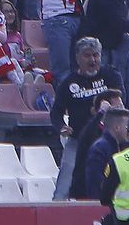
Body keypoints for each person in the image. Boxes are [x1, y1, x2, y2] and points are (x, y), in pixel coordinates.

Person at [50, 37, 122, 200]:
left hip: (107, 141)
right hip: (78, 140)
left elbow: (119, 100)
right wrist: (61, 126)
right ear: (78, 58)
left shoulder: (110, 75)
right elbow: (56, 112)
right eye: (87, 56)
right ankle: (56, 207)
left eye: (96, 55)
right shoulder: (69, 82)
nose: (92, 60)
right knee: (66, 177)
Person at [82, 106, 129, 201]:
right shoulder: (99, 149)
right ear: (117, 128)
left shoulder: (125, 146)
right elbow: (95, 184)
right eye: (127, 126)